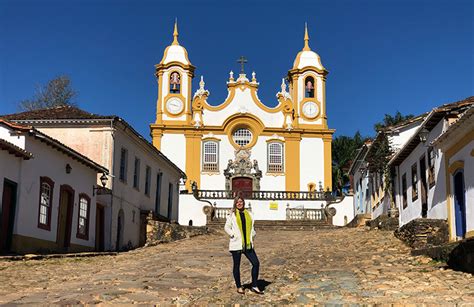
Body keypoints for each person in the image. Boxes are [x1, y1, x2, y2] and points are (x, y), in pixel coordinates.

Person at [224, 196, 264, 295]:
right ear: (235, 203)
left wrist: (253, 234)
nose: (239, 203)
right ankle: (239, 286)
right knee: (236, 266)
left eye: (241, 201)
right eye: (237, 202)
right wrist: (233, 235)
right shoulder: (232, 214)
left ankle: (254, 285)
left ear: (244, 203)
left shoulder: (249, 214)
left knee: (256, 263)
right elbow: (226, 227)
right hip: (237, 243)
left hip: (248, 244)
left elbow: (252, 227)